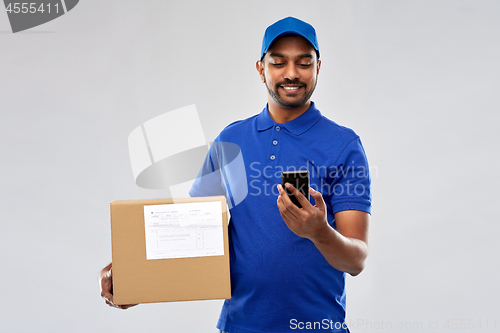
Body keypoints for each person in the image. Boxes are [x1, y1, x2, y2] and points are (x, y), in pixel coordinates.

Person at [100, 17, 371, 333]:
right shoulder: (230, 140)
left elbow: (356, 261)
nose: (292, 73)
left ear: (318, 67)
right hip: (240, 326)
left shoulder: (343, 145)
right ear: (261, 68)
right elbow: (192, 236)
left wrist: (319, 231)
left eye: (304, 62)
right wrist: (135, 279)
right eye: (278, 62)